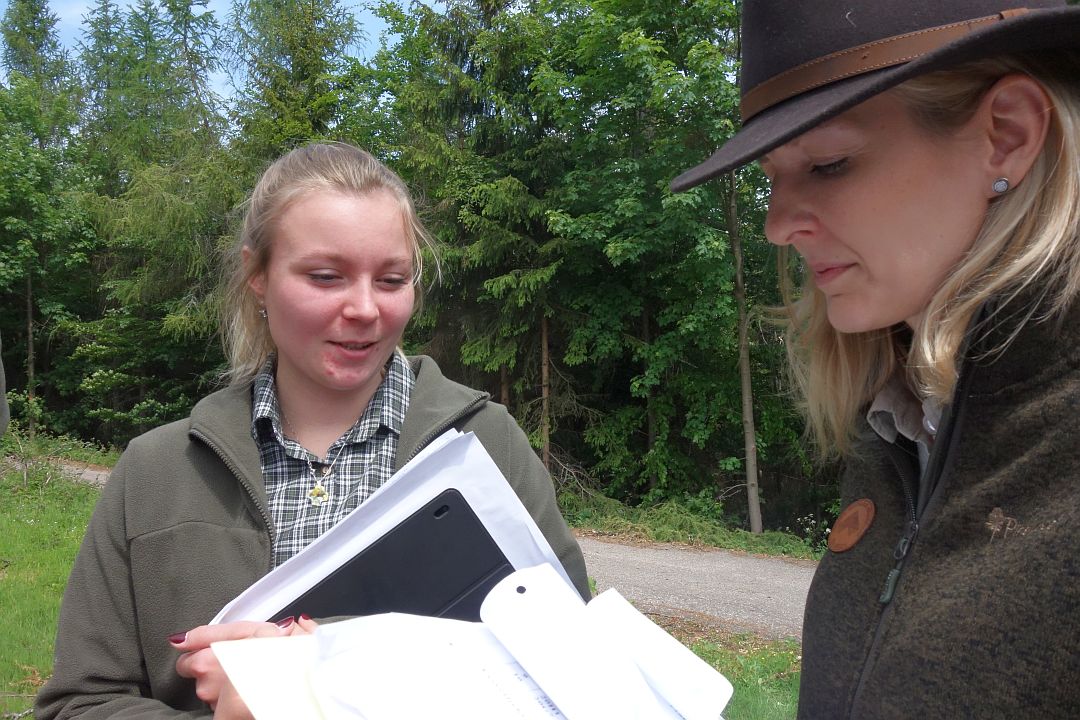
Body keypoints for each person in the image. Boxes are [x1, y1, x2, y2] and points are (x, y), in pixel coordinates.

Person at [36, 141, 590, 719]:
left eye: (391, 279)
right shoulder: (155, 470)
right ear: (257, 275)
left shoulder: (487, 444)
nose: (365, 309)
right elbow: (78, 703)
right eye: (326, 277)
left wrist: (316, 680)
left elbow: (579, 680)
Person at [672, 1, 1080, 717]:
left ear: (1008, 135)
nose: (776, 225)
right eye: (771, 176)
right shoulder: (902, 422)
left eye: (828, 163)